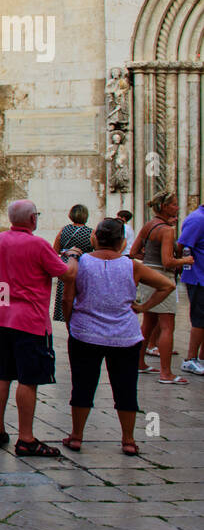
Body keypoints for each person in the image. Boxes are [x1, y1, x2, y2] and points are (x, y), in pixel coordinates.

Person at [0, 199, 78, 457]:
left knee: (1, 375)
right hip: (30, 322)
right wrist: (73, 257)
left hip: (1, 319)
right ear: (33, 219)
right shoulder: (37, 245)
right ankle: (26, 438)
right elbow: (66, 274)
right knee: (29, 379)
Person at [61, 217, 174, 456]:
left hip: (85, 333)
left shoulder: (81, 263)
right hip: (124, 336)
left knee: (82, 386)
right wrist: (143, 308)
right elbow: (167, 286)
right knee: (125, 388)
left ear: (95, 238)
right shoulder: (132, 266)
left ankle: (76, 436)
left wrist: (72, 323)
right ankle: (128, 440)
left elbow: (67, 299)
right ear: (122, 242)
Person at [129, 191, 194, 384]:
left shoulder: (149, 225)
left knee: (148, 323)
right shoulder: (167, 230)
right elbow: (168, 261)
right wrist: (186, 259)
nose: (177, 207)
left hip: (147, 274)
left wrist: (149, 262)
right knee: (167, 326)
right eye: (173, 204)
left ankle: (139, 363)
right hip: (162, 278)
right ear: (164, 207)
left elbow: (134, 252)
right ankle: (166, 373)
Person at [51, 204, 94, 320]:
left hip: (66, 265)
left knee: (65, 294)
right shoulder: (90, 233)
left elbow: (55, 250)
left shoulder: (64, 230)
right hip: (83, 265)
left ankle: (66, 318)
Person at [179, 200, 204, 376]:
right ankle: (190, 359)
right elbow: (182, 246)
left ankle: (201, 359)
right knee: (199, 319)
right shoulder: (198, 219)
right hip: (198, 278)